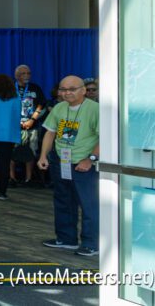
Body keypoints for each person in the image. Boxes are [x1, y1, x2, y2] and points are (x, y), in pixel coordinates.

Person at [38, 75, 100, 257]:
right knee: (63, 201)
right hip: (61, 162)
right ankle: (66, 239)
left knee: (89, 205)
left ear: (83, 90)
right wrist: (43, 155)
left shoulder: (94, 109)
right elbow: (50, 132)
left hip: (83, 164)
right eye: (63, 89)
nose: (67, 93)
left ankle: (91, 243)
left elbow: (106, 136)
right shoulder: (59, 107)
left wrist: (91, 158)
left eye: (72, 89)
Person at [11, 64, 47, 186]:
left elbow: (42, 106)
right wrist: (17, 122)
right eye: (23, 73)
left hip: (32, 126)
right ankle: (12, 178)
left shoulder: (35, 88)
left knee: (31, 152)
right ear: (16, 76)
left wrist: (31, 120)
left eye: (28, 73)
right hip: (13, 126)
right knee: (12, 152)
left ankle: (29, 178)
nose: (27, 76)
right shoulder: (10, 88)